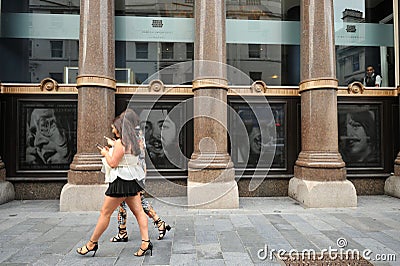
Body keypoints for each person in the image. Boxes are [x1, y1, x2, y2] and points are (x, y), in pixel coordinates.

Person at [76, 110, 152, 257]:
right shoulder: (136, 141)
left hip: (120, 182)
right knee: (139, 212)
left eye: (114, 128)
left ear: (120, 129)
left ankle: (92, 243)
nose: (112, 130)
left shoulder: (120, 143)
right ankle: (145, 242)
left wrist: (105, 154)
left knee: (105, 213)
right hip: (132, 181)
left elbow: (113, 163)